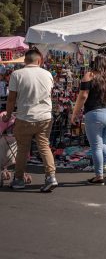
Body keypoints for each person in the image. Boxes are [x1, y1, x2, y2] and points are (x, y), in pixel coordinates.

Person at [2, 49, 57, 192]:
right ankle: (51, 176)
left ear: (25, 61)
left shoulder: (17, 75)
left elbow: (11, 98)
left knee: (22, 149)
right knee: (44, 146)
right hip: (45, 117)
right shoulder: (47, 74)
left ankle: (19, 179)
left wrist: (8, 115)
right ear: (39, 61)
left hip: (24, 117)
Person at [71, 55, 106, 185]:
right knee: (103, 142)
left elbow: (83, 96)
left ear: (94, 63)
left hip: (95, 114)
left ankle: (99, 176)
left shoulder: (90, 75)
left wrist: (75, 113)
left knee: (96, 146)